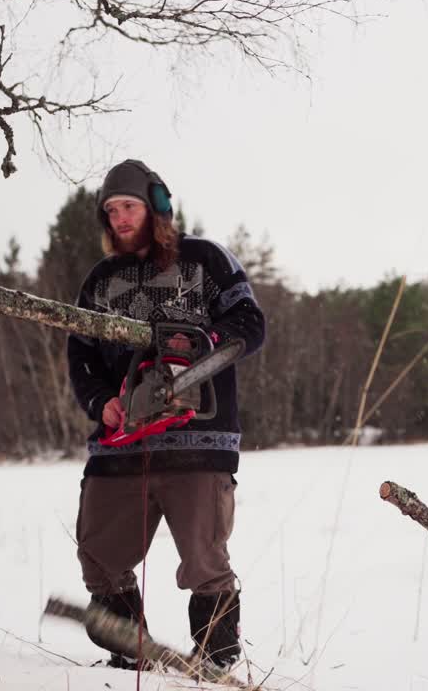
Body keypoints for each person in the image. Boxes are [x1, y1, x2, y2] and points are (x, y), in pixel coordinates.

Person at [67, 159, 266, 670]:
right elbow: (80, 358)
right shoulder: (100, 279)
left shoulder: (207, 261)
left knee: (205, 562)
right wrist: (100, 403)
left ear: (156, 206)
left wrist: (202, 345)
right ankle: (129, 655)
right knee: (99, 558)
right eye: (110, 211)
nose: (119, 219)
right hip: (121, 444)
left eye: (128, 206)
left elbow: (250, 322)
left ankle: (216, 661)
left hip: (199, 444)